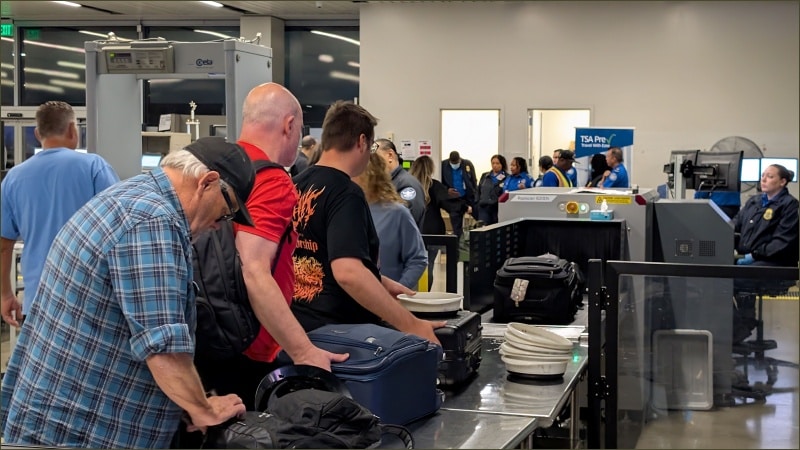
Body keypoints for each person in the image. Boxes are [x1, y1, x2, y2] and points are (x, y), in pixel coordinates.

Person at [0, 137, 253, 448]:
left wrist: (184, 403)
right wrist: (203, 409)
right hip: (82, 432)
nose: (220, 225)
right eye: (227, 211)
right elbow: (163, 345)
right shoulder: (152, 220)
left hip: (59, 419)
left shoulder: (129, 196)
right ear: (208, 182)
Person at [193, 83, 347, 413]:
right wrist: (304, 352)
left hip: (200, 337)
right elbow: (254, 269)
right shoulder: (271, 180)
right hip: (247, 348)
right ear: (289, 125)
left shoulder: (213, 169)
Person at [291, 100, 443, 344]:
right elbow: (348, 273)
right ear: (362, 142)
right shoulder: (345, 192)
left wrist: (380, 282)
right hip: (341, 333)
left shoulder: (296, 185)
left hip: (299, 326)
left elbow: (319, 256)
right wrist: (412, 325)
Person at [1, 101, 119, 329]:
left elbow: (4, 245)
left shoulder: (13, 178)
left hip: (38, 302)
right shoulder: (95, 167)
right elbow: (119, 229)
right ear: (73, 130)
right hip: (90, 300)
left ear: (37, 134)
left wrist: (5, 294)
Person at [355, 153, 427, 289]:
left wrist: (398, 290)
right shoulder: (349, 209)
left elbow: (417, 259)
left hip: (388, 298)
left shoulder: (397, 213)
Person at [410, 155, 466, 290]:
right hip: (433, 232)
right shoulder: (434, 185)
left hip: (411, 231)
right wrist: (466, 207)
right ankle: (424, 293)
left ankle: (412, 291)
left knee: (412, 264)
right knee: (428, 265)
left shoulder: (407, 185)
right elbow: (449, 203)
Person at [733, 164, 798, 267]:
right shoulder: (753, 201)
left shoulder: (790, 205)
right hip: (745, 256)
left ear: (782, 182)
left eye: (770, 176)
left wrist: (755, 255)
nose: (763, 180)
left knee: (737, 279)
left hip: (773, 260)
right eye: (762, 176)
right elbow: (734, 225)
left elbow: (782, 241)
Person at [374, 138, 425, 226]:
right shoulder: (385, 183)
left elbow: (405, 222)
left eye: (374, 158)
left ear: (390, 155)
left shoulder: (407, 185)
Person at [441, 150, 477, 238]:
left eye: (456, 162)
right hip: (453, 200)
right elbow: (440, 182)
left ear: (460, 160)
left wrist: (475, 195)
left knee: (479, 217)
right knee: (456, 226)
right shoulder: (443, 165)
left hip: (467, 197)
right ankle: (458, 246)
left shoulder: (467, 164)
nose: (455, 164)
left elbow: (473, 180)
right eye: (452, 163)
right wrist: (447, 190)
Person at [476, 154, 507, 225]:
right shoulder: (485, 176)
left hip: (497, 208)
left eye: (497, 163)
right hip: (484, 207)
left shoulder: (506, 177)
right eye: (493, 163)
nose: (494, 165)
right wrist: (477, 202)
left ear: (502, 164)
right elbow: (478, 190)